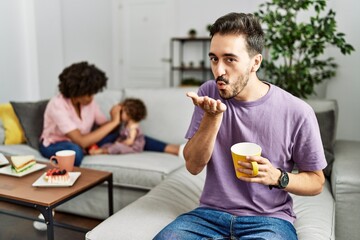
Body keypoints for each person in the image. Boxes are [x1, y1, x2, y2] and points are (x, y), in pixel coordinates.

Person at [154, 12, 327, 240]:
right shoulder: (209, 93)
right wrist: (212, 118)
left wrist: (278, 177)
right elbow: (193, 166)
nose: (219, 71)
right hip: (210, 215)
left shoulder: (297, 111)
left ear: (255, 62)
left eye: (230, 59)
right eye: (214, 59)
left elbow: (316, 182)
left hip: (269, 220)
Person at [39, 61, 121, 166]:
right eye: (88, 94)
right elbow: (81, 141)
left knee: (122, 134)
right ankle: (86, 152)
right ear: (76, 91)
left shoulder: (89, 102)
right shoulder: (57, 104)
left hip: (83, 141)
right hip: (55, 144)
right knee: (75, 152)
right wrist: (114, 122)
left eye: (93, 93)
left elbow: (104, 126)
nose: (92, 98)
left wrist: (116, 116)